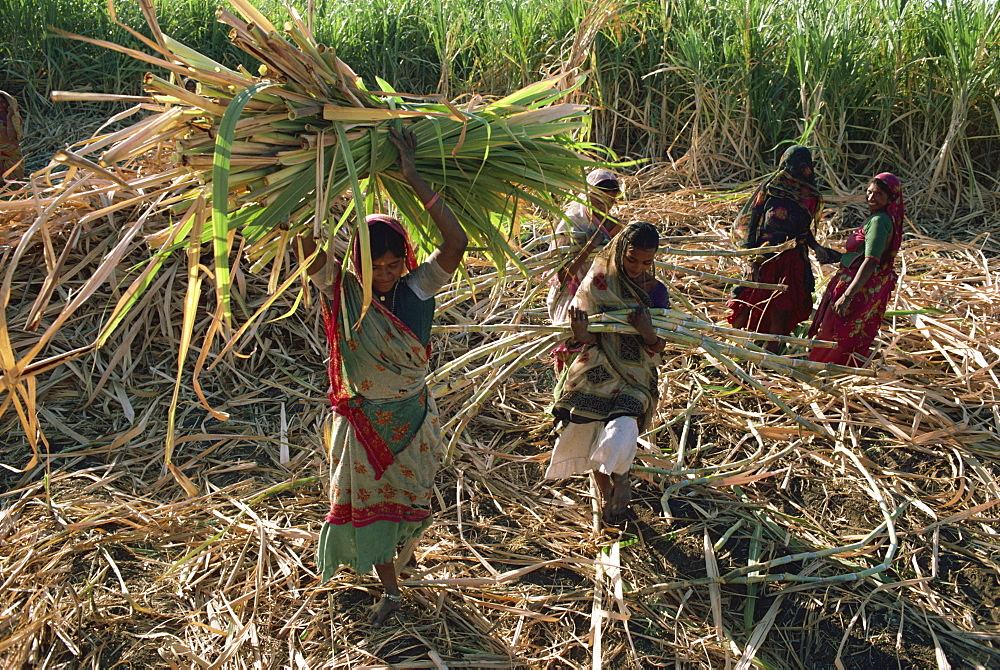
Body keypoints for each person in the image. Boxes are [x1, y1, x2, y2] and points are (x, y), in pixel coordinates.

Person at [301, 128, 467, 626]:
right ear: (359, 263)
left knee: (405, 509)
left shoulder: (418, 290)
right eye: (377, 266)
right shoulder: (344, 291)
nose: (388, 274)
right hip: (365, 425)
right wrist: (320, 176)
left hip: (411, 421)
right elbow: (308, 248)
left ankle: (396, 569)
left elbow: (456, 241)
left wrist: (413, 176)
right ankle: (390, 589)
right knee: (373, 510)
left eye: (395, 264)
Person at [547, 222, 668, 524]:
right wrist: (580, 332)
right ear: (619, 251)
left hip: (636, 375)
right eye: (632, 259)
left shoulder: (656, 293)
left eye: (646, 262)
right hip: (595, 368)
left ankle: (622, 477)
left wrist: (647, 332)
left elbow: (658, 349)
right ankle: (604, 493)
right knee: (588, 430)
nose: (638, 267)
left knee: (621, 430)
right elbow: (581, 339)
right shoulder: (598, 283)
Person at [727, 145, 840, 352]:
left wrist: (817, 248)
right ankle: (733, 346)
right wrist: (752, 260)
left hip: (793, 259)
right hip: (766, 255)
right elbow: (752, 224)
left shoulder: (809, 194)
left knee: (782, 307)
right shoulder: (772, 187)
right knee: (748, 299)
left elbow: (805, 230)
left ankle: (770, 357)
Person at [808, 173, 904, 367]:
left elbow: (870, 262)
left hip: (857, 287)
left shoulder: (879, 222)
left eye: (878, 195)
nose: (871, 198)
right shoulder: (880, 219)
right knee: (847, 332)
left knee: (836, 331)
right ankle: (839, 369)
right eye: (869, 192)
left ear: (890, 198)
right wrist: (837, 256)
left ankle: (823, 369)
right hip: (862, 283)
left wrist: (847, 296)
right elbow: (862, 254)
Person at [546, 168, 623, 323]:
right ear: (587, 196)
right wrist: (589, 247)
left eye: (611, 201)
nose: (604, 208)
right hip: (573, 293)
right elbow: (562, 277)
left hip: (604, 290)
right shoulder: (571, 225)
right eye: (599, 201)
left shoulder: (614, 226)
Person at [0, 90, 24, 184]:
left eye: (3, 102)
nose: (1, 105)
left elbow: (12, 137)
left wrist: (9, 117)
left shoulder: (14, 119)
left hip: (12, 152)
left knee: (14, 176)